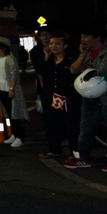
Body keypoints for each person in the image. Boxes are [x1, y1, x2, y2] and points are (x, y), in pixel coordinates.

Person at [64, 25, 107, 172]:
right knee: (86, 129)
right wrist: (82, 55)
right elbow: (73, 70)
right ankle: (83, 157)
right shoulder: (87, 53)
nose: (83, 40)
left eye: (86, 37)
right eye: (82, 37)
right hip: (89, 96)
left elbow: (102, 71)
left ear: (97, 38)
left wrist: (86, 72)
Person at [40, 31, 80, 159]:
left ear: (65, 46)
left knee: (71, 124)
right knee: (52, 123)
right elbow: (42, 72)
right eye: (51, 43)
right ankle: (55, 149)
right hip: (52, 96)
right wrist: (46, 57)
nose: (54, 46)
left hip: (69, 96)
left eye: (58, 44)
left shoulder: (71, 59)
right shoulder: (50, 59)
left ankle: (75, 152)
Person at [0, 36, 27, 148]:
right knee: (8, 113)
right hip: (1, 88)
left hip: (10, 89)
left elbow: (14, 74)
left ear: (3, 47)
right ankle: (14, 134)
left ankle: (20, 137)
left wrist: (11, 88)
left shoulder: (10, 58)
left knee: (15, 114)